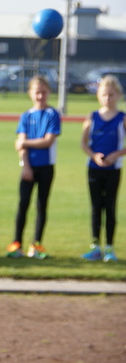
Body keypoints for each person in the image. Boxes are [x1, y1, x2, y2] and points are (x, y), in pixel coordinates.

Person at [6, 76, 60, 259]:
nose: (40, 96)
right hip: (28, 167)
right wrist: (25, 166)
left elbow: (47, 141)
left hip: (46, 167)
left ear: (49, 92)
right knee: (23, 204)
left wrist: (25, 142)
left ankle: (36, 245)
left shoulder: (53, 114)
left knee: (41, 205)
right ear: (30, 93)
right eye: (37, 92)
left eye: (43, 92)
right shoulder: (26, 116)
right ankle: (16, 243)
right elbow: (19, 146)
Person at [80, 75, 125, 262]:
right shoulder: (92, 117)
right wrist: (94, 156)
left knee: (110, 207)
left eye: (111, 95)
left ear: (118, 96)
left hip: (113, 169)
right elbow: (83, 143)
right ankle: (95, 246)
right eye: (105, 95)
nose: (108, 98)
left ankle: (109, 247)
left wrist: (116, 154)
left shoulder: (122, 118)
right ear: (99, 96)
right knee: (95, 207)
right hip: (94, 169)